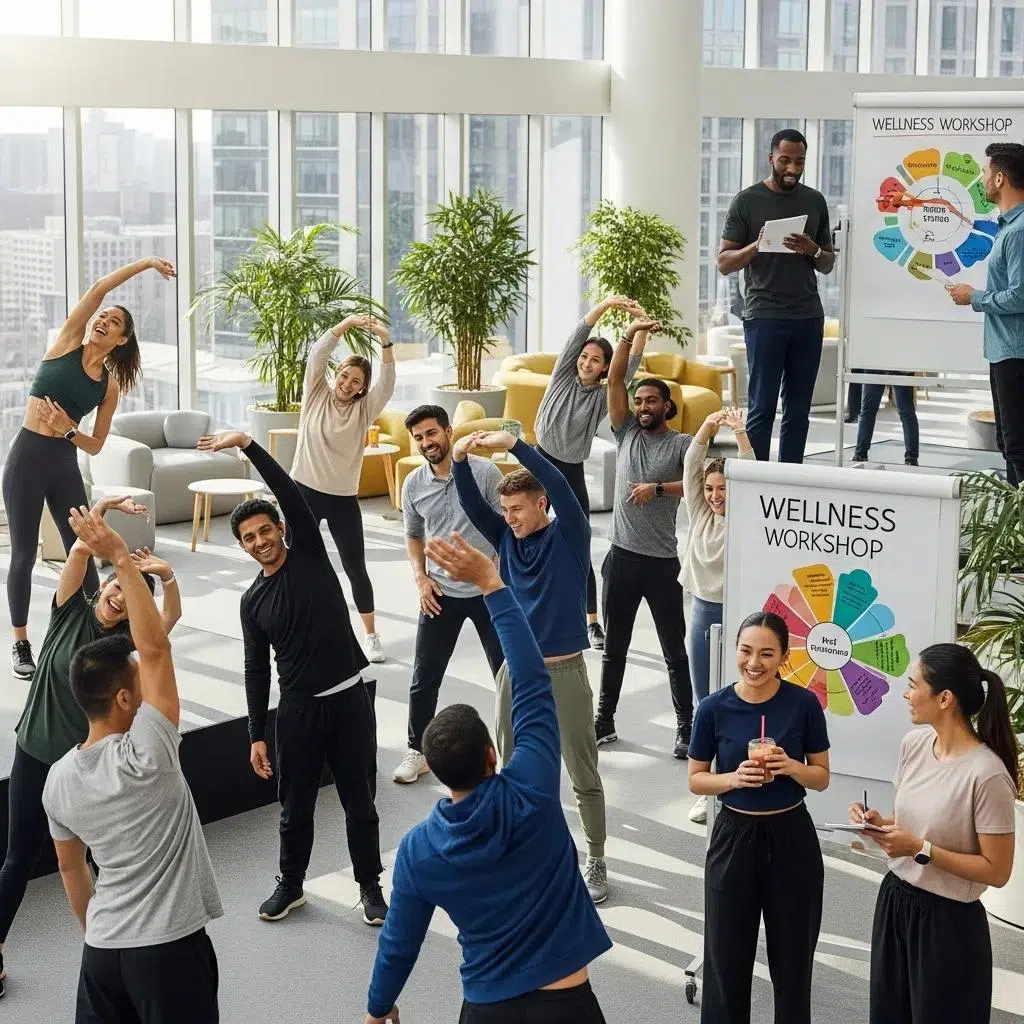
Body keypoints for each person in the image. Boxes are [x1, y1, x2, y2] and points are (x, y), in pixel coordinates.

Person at [363, 534, 612, 1024]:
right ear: (494, 754)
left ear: (432, 769)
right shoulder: (534, 788)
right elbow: (533, 681)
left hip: (487, 1008)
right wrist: (493, 585)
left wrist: (378, 1008)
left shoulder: (419, 850)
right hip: (567, 1002)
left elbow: (399, 942)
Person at [197, 429, 387, 926]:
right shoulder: (252, 602)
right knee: (293, 807)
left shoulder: (309, 553)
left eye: (265, 531)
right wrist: (256, 733)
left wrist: (248, 446)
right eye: (249, 538)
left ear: (281, 528)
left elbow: (288, 490)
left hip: (348, 701)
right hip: (298, 711)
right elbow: (256, 669)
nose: (260, 542)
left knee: (359, 804)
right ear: (242, 547)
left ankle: (371, 887)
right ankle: (292, 885)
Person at [42, 505, 221, 1024]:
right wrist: (120, 555)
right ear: (124, 700)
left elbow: (71, 869)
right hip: (167, 949)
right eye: (137, 681)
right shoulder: (151, 752)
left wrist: (97, 931)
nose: (148, 681)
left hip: (101, 950)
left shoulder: (57, 780)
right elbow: (157, 649)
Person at [0, 499, 179, 998]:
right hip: (34, 751)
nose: (121, 597)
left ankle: (128, 943)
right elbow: (80, 547)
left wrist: (163, 579)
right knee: (19, 858)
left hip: (85, 769)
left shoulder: (126, 647)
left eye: (131, 592)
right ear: (105, 585)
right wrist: (102, 509)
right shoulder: (68, 613)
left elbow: (165, 628)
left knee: (108, 861)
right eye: (119, 585)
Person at [452, 427, 609, 903]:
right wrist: (459, 459)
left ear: (541, 505)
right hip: (516, 672)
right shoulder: (504, 537)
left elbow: (559, 482)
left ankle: (597, 856)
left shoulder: (570, 534)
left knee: (582, 771)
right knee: (507, 765)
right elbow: (473, 506)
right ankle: (514, 847)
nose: (509, 518)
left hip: (565, 673)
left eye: (517, 509)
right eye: (506, 510)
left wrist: (513, 446)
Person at [3, 256, 176, 679]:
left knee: (83, 548)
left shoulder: (108, 385)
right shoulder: (65, 343)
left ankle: (97, 634)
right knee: (23, 554)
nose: (103, 320)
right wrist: (148, 263)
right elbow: (99, 287)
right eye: (103, 316)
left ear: (121, 339)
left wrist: (67, 430)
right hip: (26, 458)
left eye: (114, 322)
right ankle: (21, 643)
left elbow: (95, 445)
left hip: (63, 464)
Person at [849, 643, 1018, 1024]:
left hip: (949, 925)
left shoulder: (987, 774)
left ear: (944, 698)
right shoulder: (915, 745)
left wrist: (921, 849)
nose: (906, 694)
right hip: (895, 902)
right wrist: (881, 823)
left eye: (913, 685)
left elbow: (997, 870)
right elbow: (919, 821)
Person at [687, 611, 830, 1024]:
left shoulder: (803, 704)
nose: (754, 663)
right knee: (725, 962)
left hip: (791, 837)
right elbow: (697, 780)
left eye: (767, 653)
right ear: (735, 650)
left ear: (784, 656)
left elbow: (820, 778)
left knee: (793, 962)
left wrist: (790, 766)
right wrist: (732, 778)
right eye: (746, 651)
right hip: (734, 836)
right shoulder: (713, 708)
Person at [594, 316, 696, 759]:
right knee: (614, 649)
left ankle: (686, 727)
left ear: (668, 407)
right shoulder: (627, 432)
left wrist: (657, 489)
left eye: (652, 400)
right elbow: (614, 376)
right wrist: (628, 334)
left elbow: (704, 481)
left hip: (660, 565)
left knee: (675, 651)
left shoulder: (680, 445)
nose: (643, 406)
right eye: (639, 400)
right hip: (621, 559)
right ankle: (605, 719)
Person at [393, 404, 506, 785]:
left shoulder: (485, 473)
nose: (427, 442)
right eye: (419, 437)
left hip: (487, 588)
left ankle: (513, 748)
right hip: (440, 590)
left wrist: (500, 577)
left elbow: (505, 528)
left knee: (507, 674)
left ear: (448, 431)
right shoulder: (413, 484)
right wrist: (420, 579)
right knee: (424, 676)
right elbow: (413, 536)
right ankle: (417, 750)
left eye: (431, 433)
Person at [534, 294, 648, 650]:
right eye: (584, 356)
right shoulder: (563, 375)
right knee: (525, 535)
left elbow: (628, 368)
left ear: (603, 368)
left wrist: (640, 323)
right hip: (539, 461)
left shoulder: (603, 395)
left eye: (595, 360)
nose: (586, 362)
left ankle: (592, 623)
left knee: (579, 542)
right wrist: (607, 304)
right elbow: (577, 334)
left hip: (569, 471)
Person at [717, 128, 835, 464]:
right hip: (765, 317)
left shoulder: (815, 201)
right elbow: (724, 263)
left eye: (799, 161)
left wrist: (812, 249)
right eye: (785, 160)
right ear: (771, 158)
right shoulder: (747, 201)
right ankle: (757, 480)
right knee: (762, 407)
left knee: (799, 410)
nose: (792, 168)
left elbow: (827, 263)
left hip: (808, 317)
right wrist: (758, 244)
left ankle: (791, 479)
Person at [290, 313, 395, 661]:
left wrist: (385, 341)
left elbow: (388, 383)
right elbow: (317, 354)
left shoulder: (365, 410)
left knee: (355, 567)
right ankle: (295, 628)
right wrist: (346, 324)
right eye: (345, 376)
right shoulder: (316, 392)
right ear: (337, 375)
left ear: (363, 388)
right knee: (295, 562)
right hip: (303, 491)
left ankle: (371, 635)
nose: (348, 384)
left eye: (357, 382)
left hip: (342, 499)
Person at [681, 408, 755, 824]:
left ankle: (733, 777)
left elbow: (756, 475)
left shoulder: (746, 519)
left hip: (740, 616)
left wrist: (740, 434)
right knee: (704, 700)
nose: (715, 495)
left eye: (723, 488)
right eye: (710, 488)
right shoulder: (700, 514)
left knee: (737, 697)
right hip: (702, 610)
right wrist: (709, 427)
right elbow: (692, 463)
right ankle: (705, 782)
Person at [947, 142, 1024, 486]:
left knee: (1018, 447)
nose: (981, 180)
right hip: (1004, 351)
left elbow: (1020, 295)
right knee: (1011, 445)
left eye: (984, 173)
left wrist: (974, 297)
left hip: (1016, 354)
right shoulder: (1009, 226)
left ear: (1000, 178)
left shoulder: (1019, 231)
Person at [852, 372, 919, 467]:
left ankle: (860, 454)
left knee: (868, 411)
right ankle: (912, 459)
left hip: (886, 364)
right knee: (907, 413)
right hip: (889, 364)